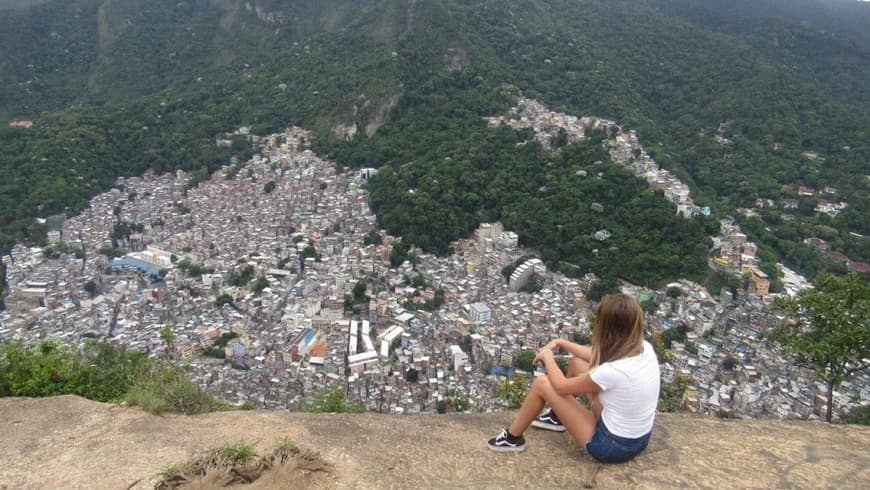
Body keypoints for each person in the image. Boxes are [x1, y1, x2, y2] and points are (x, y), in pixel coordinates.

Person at [487, 293, 660, 463]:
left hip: (611, 447)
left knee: (542, 384)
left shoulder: (612, 371)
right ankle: (557, 417)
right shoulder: (645, 348)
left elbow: (561, 386)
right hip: (640, 438)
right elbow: (593, 355)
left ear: (606, 327)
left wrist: (547, 357)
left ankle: (512, 438)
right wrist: (561, 343)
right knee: (577, 364)